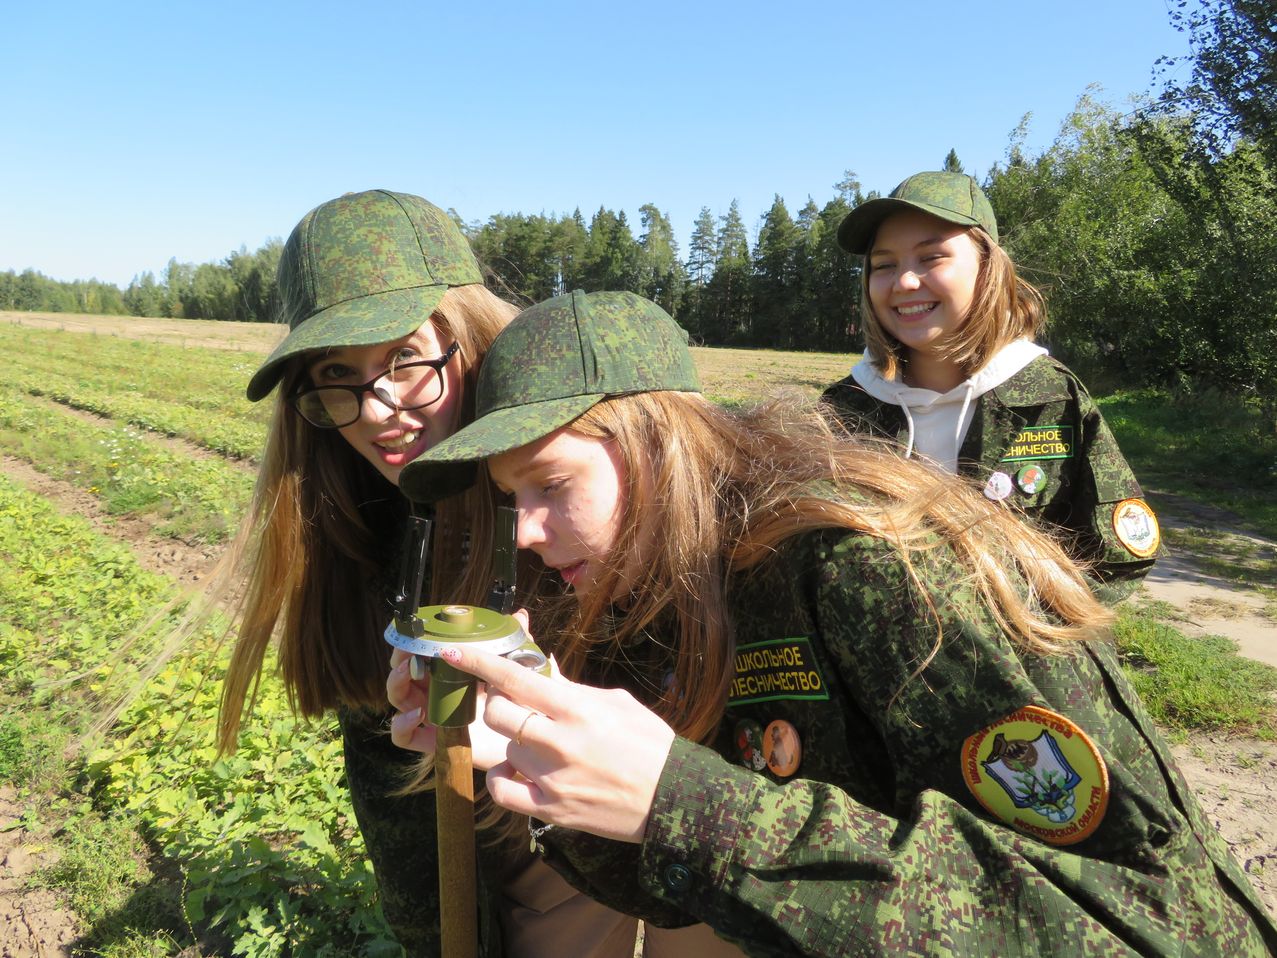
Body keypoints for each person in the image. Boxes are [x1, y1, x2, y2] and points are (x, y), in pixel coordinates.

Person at [389, 289, 1277, 956]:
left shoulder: (877, 570)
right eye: (511, 499)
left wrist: (689, 803)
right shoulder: (650, 594)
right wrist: (536, 754)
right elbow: (670, 891)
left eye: (550, 484)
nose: (528, 536)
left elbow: (1156, 922)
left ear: (657, 446)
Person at [227, 190, 674, 957]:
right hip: (524, 863)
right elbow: (397, 806)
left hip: (675, 846)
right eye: (338, 373)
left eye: (404, 357)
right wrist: (441, 939)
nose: (379, 410)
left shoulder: (585, 472)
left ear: (469, 336)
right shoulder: (353, 521)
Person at [822, 171, 1159, 599]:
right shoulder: (843, 411)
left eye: (931, 258)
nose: (905, 281)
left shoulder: (1052, 398)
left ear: (989, 268)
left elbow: (1120, 552)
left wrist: (1026, 637)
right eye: (884, 265)